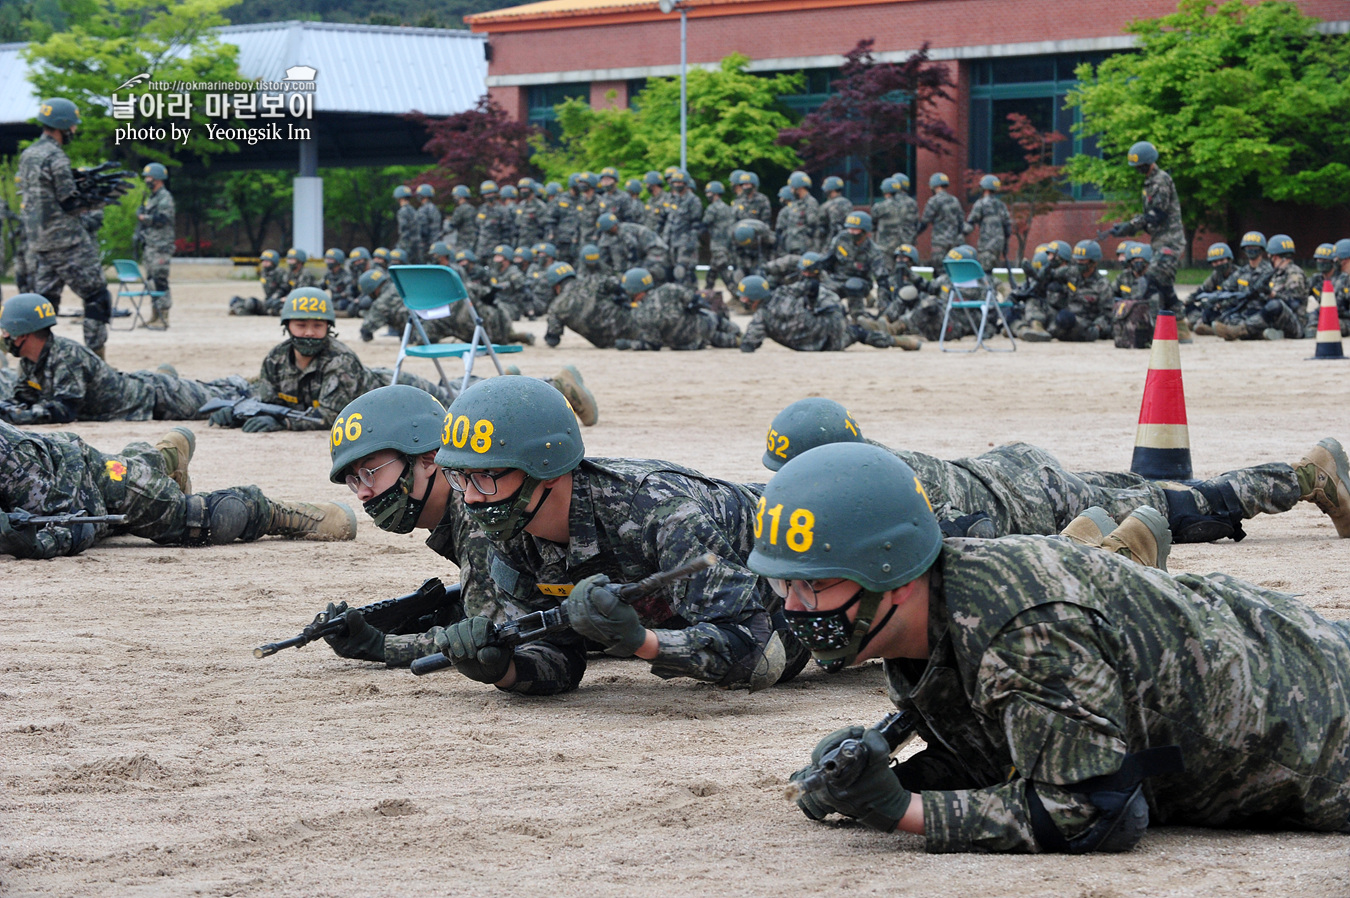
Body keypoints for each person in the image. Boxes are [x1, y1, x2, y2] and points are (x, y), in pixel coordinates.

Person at [751, 441, 1350, 853]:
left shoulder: (1023, 629)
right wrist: (886, 771)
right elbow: (1006, 748)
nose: (798, 607)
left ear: (895, 574)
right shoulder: (935, 607)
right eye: (786, 585)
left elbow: (1098, 810)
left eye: (819, 584)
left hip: (1327, 732)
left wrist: (900, 811)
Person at [322, 379, 803, 693]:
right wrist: (505, 669)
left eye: (486, 477)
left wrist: (643, 642)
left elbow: (748, 642)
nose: (468, 498)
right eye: (458, 478)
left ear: (544, 470)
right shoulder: (509, 524)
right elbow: (557, 652)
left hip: (809, 567)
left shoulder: (657, 510)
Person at [760, 397, 1350, 543]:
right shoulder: (867, 460)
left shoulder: (867, 485)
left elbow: (972, 535)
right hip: (1017, 469)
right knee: (1160, 490)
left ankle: (1306, 476)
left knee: (1185, 511)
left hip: (1037, 501)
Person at [0, 419, 355, 559]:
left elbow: (64, 520)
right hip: (77, 477)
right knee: (133, 473)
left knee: (200, 519)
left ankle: (281, 514)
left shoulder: (11, 459)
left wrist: (26, 541)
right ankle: (162, 457)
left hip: (92, 485)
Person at [0, 292, 249, 424]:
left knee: (223, 399)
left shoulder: (66, 355)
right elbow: (23, 397)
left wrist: (16, 416)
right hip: (137, 392)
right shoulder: (28, 362)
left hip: (155, 396)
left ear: (25, 332)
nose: (4, 336)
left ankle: (245, 382)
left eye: (6, 331)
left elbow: (64, 410)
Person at [16, 98, 114, 356]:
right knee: (96, 297)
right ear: (62, 126)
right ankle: (97, 366)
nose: (74, 131)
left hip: (39, 243)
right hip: (67, 241)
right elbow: (69, 202)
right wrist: (95, 201)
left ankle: (39, 365)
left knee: (43, 307)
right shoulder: (55, 156)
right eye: (72, 126)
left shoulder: (29, 155)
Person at [1109, 141, 1187, 339]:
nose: (1137, 170)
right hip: (1160, 241)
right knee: (1164, 282)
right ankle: (1181, 328)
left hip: (1170, 241)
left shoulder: (1160, 181)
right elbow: (1150, 220)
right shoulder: (1149, 182)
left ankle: (1149, 326)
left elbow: (1157, 214)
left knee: (1151, 279)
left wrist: (1131, 225)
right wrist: (1128, 226)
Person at [737, 275, 917, 353]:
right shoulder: (784, 292)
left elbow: (748, 345)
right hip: (831, 327)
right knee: (859, 332)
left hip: (821, 346)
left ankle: (886, 331)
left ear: (753, 298)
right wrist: (813, 305)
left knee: (856, 332)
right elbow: (812, 285)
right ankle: (896, 340)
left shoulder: (760, 319)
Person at [619, 267, 742, 351]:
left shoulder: (640, 314)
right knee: (718, 320)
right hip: (706, 321)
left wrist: (628, 344)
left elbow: (653, 344)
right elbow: (695, 300)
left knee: (718, 339)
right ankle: (741, 335)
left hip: (690, 343)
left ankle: (738, 341)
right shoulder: (668, 289)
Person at [135, 162, 175, 330]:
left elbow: (164, 219)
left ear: (158, 179)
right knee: (151, 281)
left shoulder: (165, 197)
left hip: (161, 246)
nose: (147, 180)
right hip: (150, 245)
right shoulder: (151, 197)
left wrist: (146, 218)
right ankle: (154, 315)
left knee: (160, 280)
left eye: (149, 177)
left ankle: (163, 316)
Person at [963, 174, 1013, 272]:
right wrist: (1005, 246)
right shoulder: (1001, 205)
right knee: (992, 270)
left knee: (985, 273)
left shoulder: (980, 203)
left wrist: (959, 230)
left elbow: (970, 224)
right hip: (998, 245)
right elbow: (1008, 229)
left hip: (986, 245)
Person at [662, 170, 703, 287]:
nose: (677, 185)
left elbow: (696, 223)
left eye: (680, 182)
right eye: (675, 183)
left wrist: (692, 242)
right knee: (669, 273)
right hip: (670, 242)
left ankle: (691, 298)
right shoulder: (672, 200)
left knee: (683, 273)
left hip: (685, 242)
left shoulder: (693, 200)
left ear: (686, 183)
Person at [915, 173, 963, 268]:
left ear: (934, 185)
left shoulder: (934, 200)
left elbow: (925, 222)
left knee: (939, 269)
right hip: (954, 241)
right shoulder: (955, 200)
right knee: (953, 268)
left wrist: (915, 233)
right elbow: (961, 222)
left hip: (939, 241)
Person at [818, 176, 853, 243]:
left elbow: (821, 227)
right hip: (847, 241)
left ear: (830, 189)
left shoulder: (826, 206)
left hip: (831, 242)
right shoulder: (848, 203)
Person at [443, 184, 477, 249]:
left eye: (455, 196)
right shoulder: (472, 208)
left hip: (463, 242)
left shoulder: (460, 209)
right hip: (474, 241)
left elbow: (452, 225)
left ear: (460, 196)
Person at [414, 184, 440, 264]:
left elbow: (423, 228)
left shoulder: (423, 209)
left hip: (426, 244)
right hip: (435, 242)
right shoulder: (434, 208)